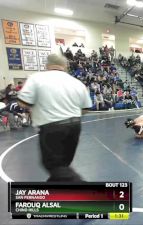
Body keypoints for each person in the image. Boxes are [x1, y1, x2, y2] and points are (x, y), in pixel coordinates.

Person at [17, 54, 93, 182]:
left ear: (47, 65)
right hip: (74, 126)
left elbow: (23, 102)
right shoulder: (76, 82)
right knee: (63, 165)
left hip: (52, 127)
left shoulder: (37, 78)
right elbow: (86, 108)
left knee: (54, 165)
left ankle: (90, 193)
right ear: (65, 66)